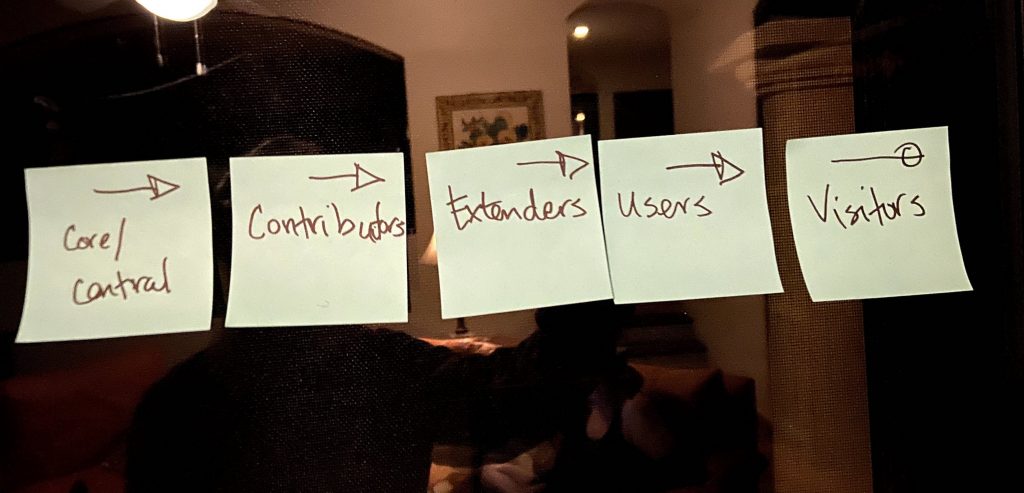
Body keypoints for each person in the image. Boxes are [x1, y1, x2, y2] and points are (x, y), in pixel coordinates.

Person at [125, 301, 634, 492]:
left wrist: (582, 295)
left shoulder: (176, 398)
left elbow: (516, 397)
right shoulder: (180, 402)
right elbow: (517, 398)